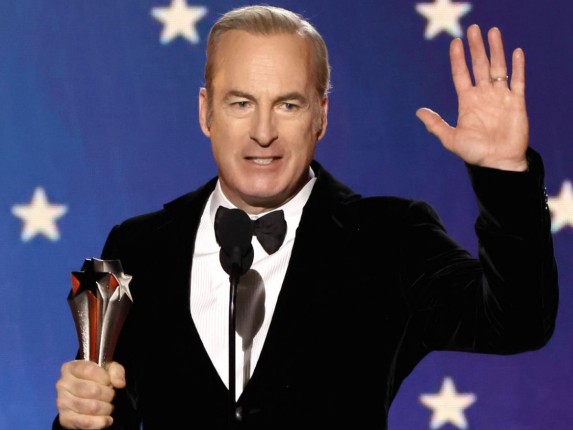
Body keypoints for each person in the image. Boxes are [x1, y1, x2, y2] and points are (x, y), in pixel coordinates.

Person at [53, 5, 558, 430]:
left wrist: (504, 174)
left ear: (321, 115)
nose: (263, 132)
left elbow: (517, 323)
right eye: (241, 103)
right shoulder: (138, 247)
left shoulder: (389, 237)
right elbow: (103, 411)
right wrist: (79, 416)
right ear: (206, 112)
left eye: (288, 105)